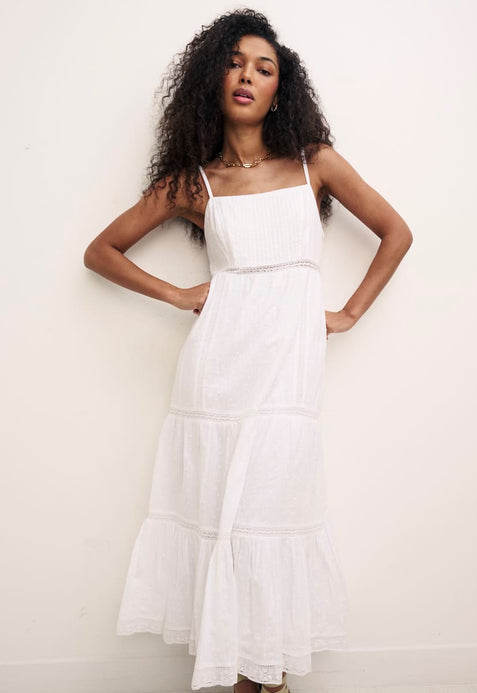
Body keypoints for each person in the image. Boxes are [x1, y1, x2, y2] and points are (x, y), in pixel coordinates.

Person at [83, 8, 413, 693]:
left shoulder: (314, 162)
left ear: (279, 90)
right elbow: (101, 251)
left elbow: (396, 232)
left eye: (264, 68)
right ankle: (247, 676)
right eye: (235, 63)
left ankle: (267, 671)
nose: (248, 76)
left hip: (288, 366)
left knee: (271, 507)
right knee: (221, 513)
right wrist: (177, 293)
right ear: (213, 78)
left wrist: (348, 312)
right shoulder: (194, 182)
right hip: (218, 368)